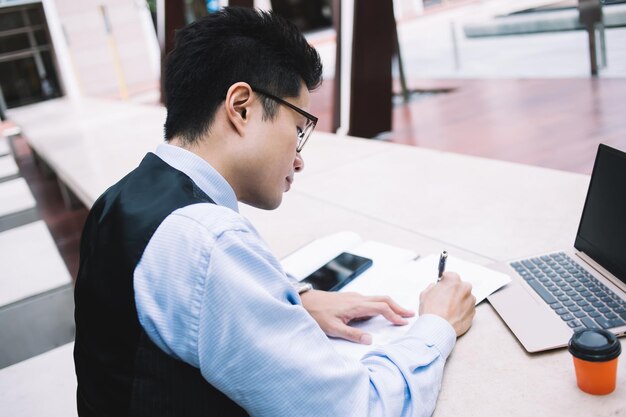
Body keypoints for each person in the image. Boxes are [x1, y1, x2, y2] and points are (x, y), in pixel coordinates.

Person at [73, 7, 476, 417]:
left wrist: (296, 301)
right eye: (299, 129)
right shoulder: (208, 241)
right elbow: (359, 408)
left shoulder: (121, 198)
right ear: (241, 106)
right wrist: (436, 326)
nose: (299, 159)